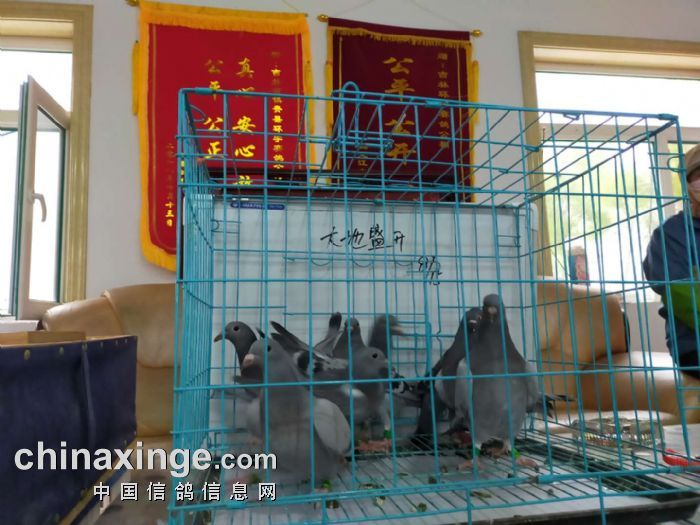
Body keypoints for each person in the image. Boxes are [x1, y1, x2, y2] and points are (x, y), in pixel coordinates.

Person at [643, 143, 700, 379]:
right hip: (694, 347)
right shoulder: (670, 235)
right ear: (687, 184)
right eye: (698, 174)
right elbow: (687, 303)